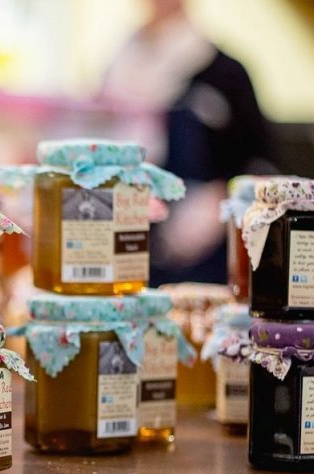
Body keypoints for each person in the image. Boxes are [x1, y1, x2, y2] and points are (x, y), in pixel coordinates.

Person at [100, 0, 273, 286]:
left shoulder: (225, 74)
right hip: (127, 253)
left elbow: (262, 166)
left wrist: (219, 202)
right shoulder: (116, 69)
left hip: (205, 263)